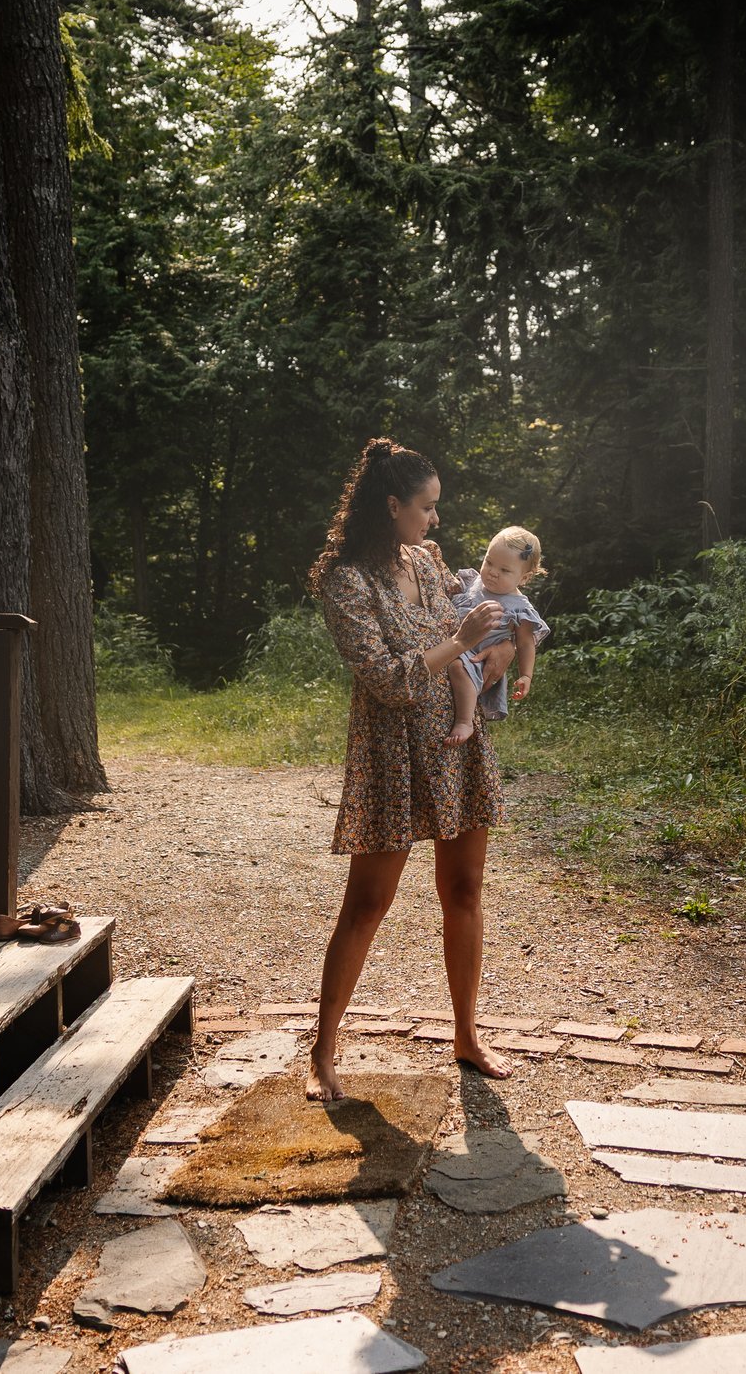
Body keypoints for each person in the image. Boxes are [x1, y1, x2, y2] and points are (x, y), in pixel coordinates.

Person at [307, 439, 511, 1102]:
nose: (435, 521)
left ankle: (466, 1035)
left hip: (454, 742)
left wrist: (502, 604)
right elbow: (391, 680)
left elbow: (461, 609)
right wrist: (461, 640)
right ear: (392, 505)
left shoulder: (425, 561)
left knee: (465, 890)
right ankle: (322, 1050)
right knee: (367, 903)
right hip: (391, 752)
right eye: (426, 508)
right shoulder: (344, 580)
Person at [438, 525, 551, 739]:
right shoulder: (472, 582)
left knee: (458, 667)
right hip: (452, 645)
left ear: (524, 578)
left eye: (505, 570)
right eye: (489, 562)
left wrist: (526, 675)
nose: (492, 572)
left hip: (477, 660)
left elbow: (526, 643)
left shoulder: (519, 607)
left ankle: (465, 721)